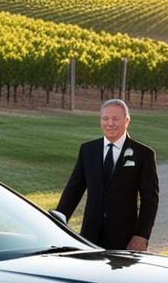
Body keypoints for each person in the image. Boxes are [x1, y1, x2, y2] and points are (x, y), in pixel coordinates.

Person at [54, 98, 159, 251]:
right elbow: (73, 190)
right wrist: (57, 223)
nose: (110, 123)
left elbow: (150, 200)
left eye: (115, 119)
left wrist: (141, 235)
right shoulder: (88, 150)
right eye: (105, 118)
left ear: (127, 120)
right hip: (90, 236)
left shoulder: (144, 154)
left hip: (125, 238)